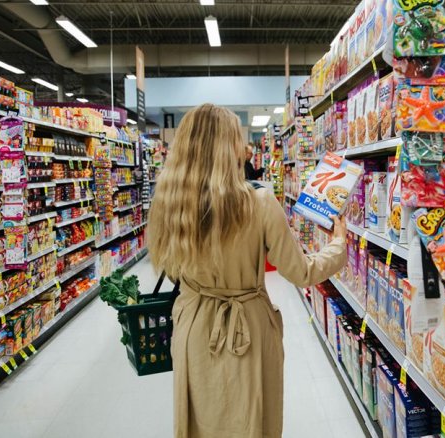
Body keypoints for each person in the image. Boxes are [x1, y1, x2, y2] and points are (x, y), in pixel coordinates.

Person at [147, 104, 347, 438]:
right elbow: (301, 272)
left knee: (202, 420)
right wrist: (337, 245)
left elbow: (169, 264)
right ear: (229, 148)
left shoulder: (169, 202)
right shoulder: (259, 202)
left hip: (194, 325)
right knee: (252, 420)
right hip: (248, 330)